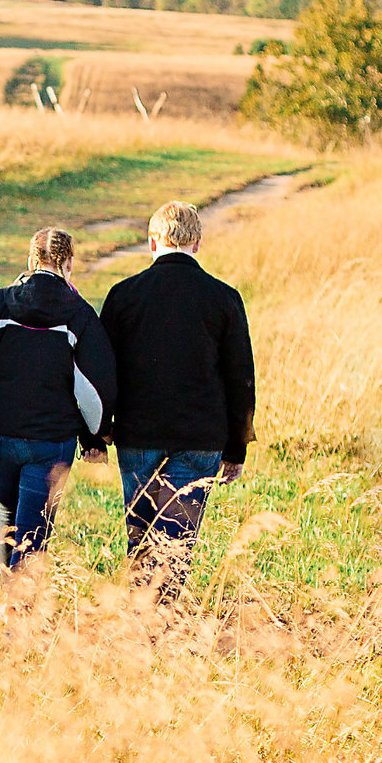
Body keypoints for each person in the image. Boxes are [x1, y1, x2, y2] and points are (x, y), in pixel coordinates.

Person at [0, 227, 117, 579]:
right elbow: (92, 387)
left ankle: (7, 596)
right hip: (49, 440)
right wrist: (98, 434)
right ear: (69, 264)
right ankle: (18, 616)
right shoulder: (79, 314)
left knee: (8, 515)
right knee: (33, 533)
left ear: (31, 261)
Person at [98, 200, 256, 600]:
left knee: (142, 536)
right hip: (199, 438)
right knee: (176, 543)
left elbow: (102, 373)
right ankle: (162, 622)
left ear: (153, 242)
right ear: (197, 243)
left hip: (138, 433)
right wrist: (236, 448)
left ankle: (140, 621)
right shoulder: (224, 298)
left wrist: (98, 433)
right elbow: (241, 379)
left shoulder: (123, 295)